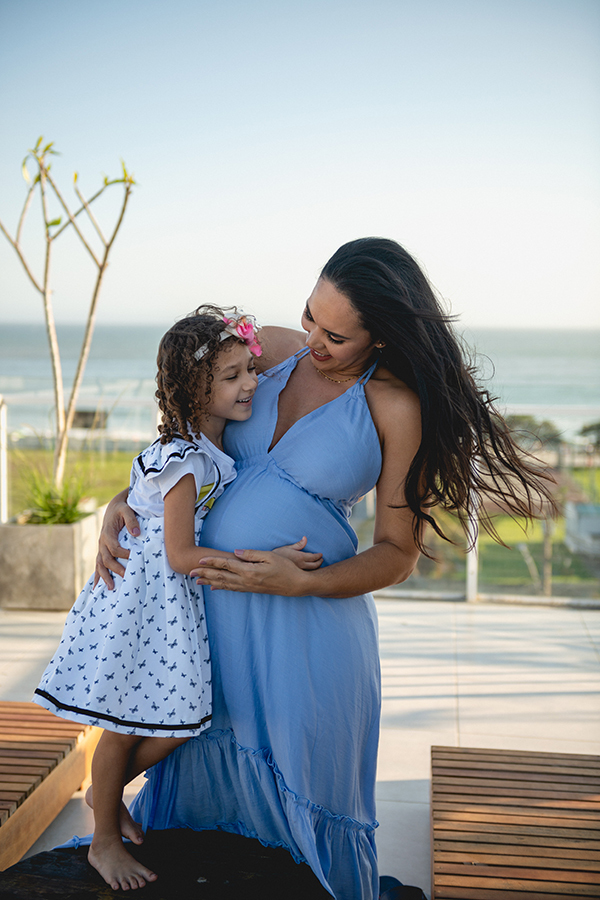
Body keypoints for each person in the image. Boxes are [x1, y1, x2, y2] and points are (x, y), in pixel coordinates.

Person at [96, 239, 553, 900]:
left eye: (336, 336)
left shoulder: (394, 405)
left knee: (304, 835)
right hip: (208, 618)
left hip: (308, 636)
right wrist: (126, 498)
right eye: (310, 315)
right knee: (192, 809)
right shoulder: (269, 351)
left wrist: (302, 582)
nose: (313, 339)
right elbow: (185, 430)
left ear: (382, 338)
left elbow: (397, 552)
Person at [33, 307, 322, 892]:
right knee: (125, 721)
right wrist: (264, 565)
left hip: (163, 601)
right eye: (233, 376)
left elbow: (146, 492)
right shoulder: (187, 458)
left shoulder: (202, 444)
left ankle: (103, 795)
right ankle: (104, 838)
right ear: (195, 391)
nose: (251, 383)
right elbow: (182, 554)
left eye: (250, 370)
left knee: (177, 720)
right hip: (144, 602)